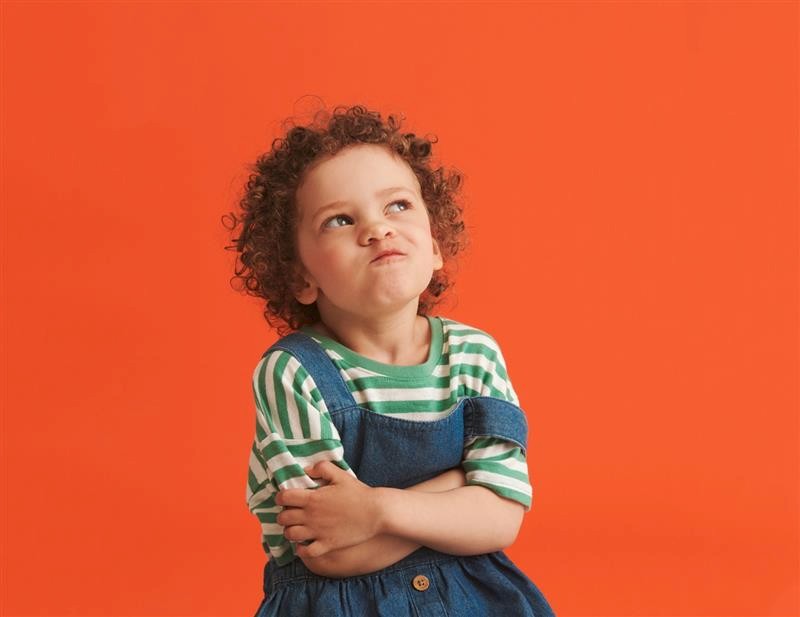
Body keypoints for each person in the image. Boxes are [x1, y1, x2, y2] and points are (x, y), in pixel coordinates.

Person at [226, 104, 556, 616]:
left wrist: (378, 510)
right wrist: (461, 488)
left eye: (397, 205)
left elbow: (501, 518)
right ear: (301, 277)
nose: (377, 229)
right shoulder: (292, 372)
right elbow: (330, 552)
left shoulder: (474, 355)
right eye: (340, 220)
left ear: (436, 245)